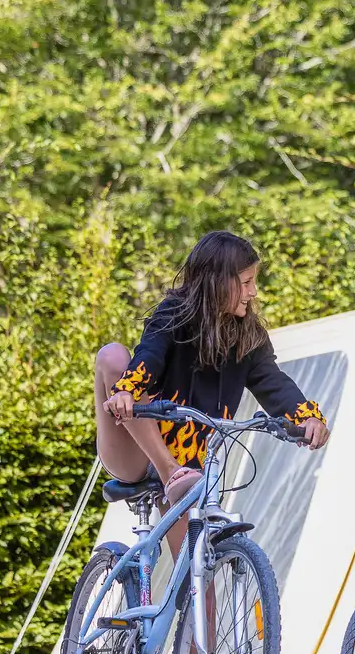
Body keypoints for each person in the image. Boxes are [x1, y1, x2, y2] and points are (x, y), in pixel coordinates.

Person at [94, 230, 330, 558]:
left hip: (189, 465)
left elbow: (274, 383)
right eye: (246, 282)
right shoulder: (173, 314)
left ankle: (176, 478)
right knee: (112, 356)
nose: (253, 292)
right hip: (135, 448)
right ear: (218, 282)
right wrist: (127, 390)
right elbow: (151, 354)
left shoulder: (248, 336)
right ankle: (169, 471)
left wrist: (306, 417)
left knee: (198, 573)